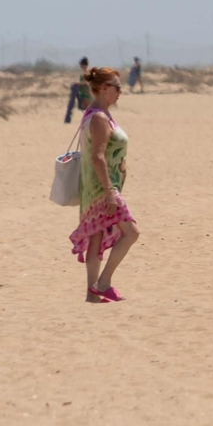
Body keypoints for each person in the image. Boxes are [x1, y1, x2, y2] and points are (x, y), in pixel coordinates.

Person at [70, 67, 138, 303]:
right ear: (105, 89)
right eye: (117, 87)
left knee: (97, 238)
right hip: (102, 190)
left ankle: (92, 293)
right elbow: (98, 156)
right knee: (131, 232)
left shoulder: (95, 113)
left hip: (95, 187)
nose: (120, 92)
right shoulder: (99, 118)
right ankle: (103, 282)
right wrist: (110, 191)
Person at [65, 57, 91, 123]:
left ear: (84, 65)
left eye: (81, 65)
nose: (80, 66)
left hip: (86, 95)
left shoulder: (87, 73)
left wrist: (78, 83)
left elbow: (86, 82)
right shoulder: (83, 73)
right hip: (82, 93)